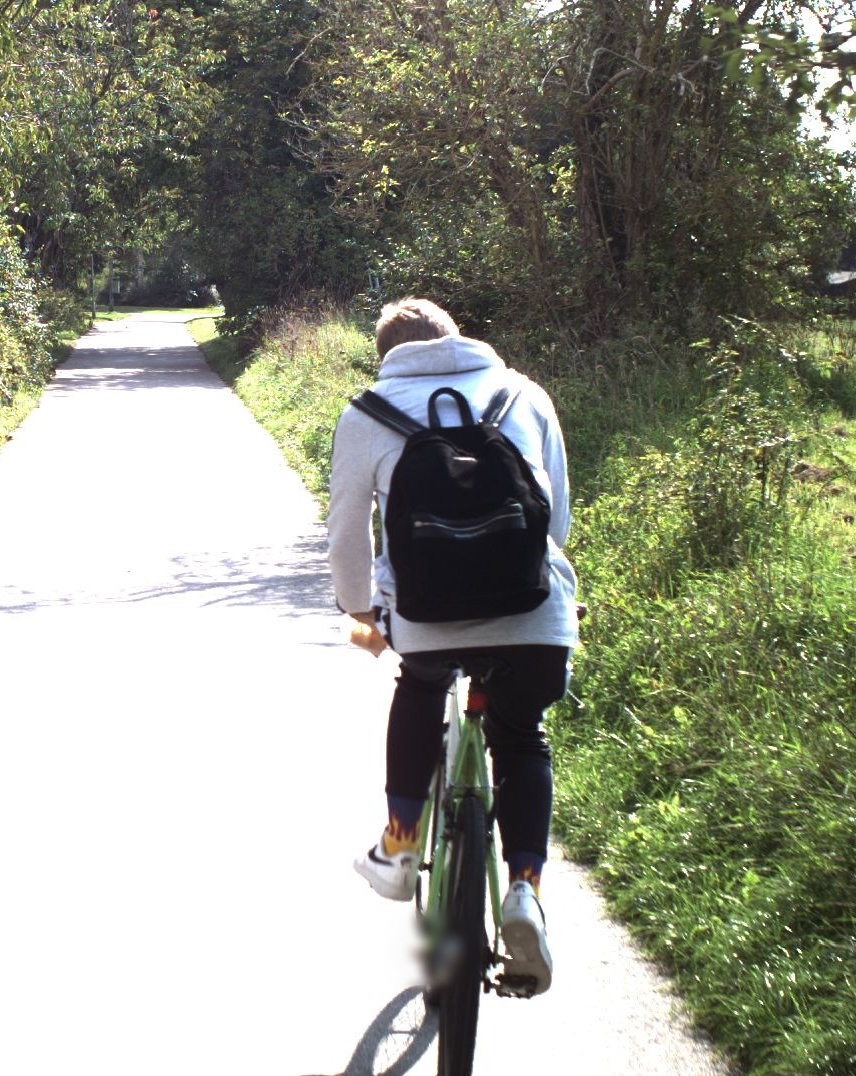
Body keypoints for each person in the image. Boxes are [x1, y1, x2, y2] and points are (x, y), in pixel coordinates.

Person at [326, 298, 578, 994]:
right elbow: (554, 518)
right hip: (532, 613)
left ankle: (400, 844)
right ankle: (524, 889)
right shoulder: (523, 395)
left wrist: (360, 609)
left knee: (419, 685)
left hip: (425, 616)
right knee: (521, 737)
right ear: (459, 340)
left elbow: (347, 533)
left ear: (387, 355)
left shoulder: (367, 413)